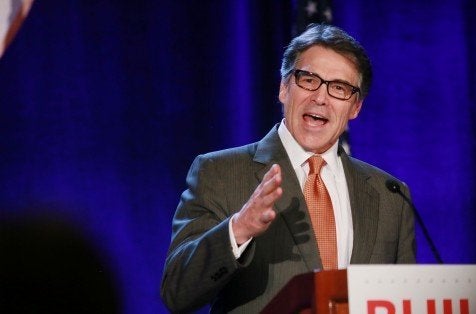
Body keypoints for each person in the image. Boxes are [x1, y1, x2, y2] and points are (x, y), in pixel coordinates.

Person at [160, 23, 417, 313]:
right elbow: (177, 292)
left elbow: (402, 300)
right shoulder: (219, 172)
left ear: (355, 107)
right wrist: (239, 229)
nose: (320, 97)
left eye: (339, 88)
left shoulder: (390, 195)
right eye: (308, 80)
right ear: (284, 88)